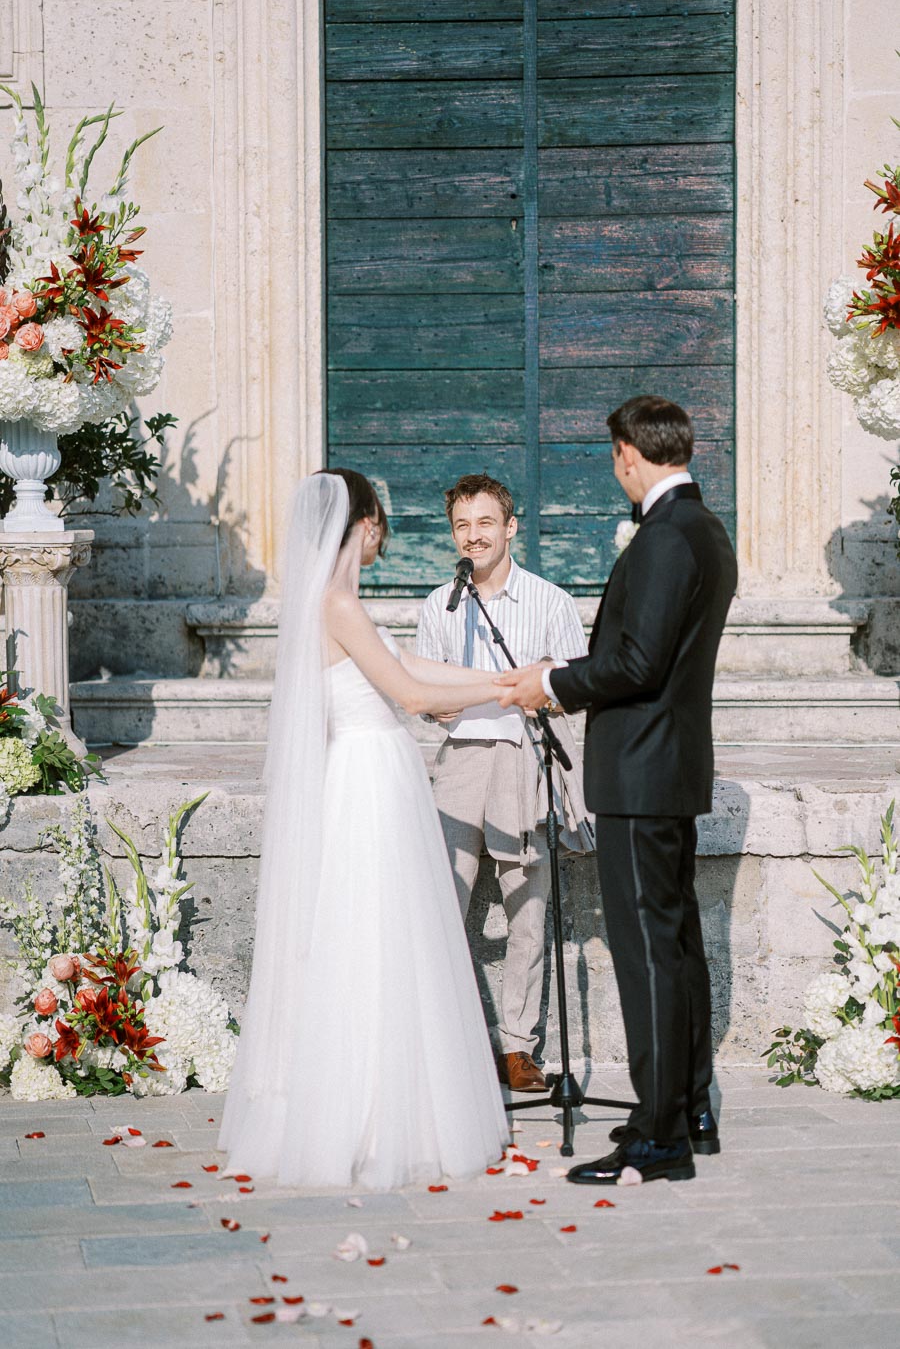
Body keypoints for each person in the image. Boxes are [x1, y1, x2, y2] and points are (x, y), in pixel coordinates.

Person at [219, 469, 509, 1189]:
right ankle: (378, 1117)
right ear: (369, 524)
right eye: (382, 522)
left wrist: (501, 677)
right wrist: (510, 687)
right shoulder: (339, 602)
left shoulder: (333, 603)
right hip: (370, 776)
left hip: (366, 772)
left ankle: (373, 1105)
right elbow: (409, 692)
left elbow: (408, 663)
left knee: (370, 935)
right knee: (380, 939)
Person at [496, 397, 737, 1184]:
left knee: (647, 957)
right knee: (677, 945)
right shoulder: (705, 528)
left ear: (629, 454)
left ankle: (658, 1135)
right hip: (668, 768)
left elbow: (637, 663)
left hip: (641, 772)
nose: (614, 469)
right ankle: (691, 1107)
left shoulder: (667, 537)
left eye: (613, 457)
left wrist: (552, 682)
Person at [417, 474, 593, 1094]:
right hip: (462, 760)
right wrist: (443, 702)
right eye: (463, 525)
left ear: (510, 527)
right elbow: (426, 698)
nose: (474, 536)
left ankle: (520, 1047)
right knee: (443, 904)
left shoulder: (550, 601)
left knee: (528, 907)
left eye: (485, 523)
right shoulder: (440, 604)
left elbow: (574, 690)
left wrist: (538, 686)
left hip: (525, 759)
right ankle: (443, 1040)